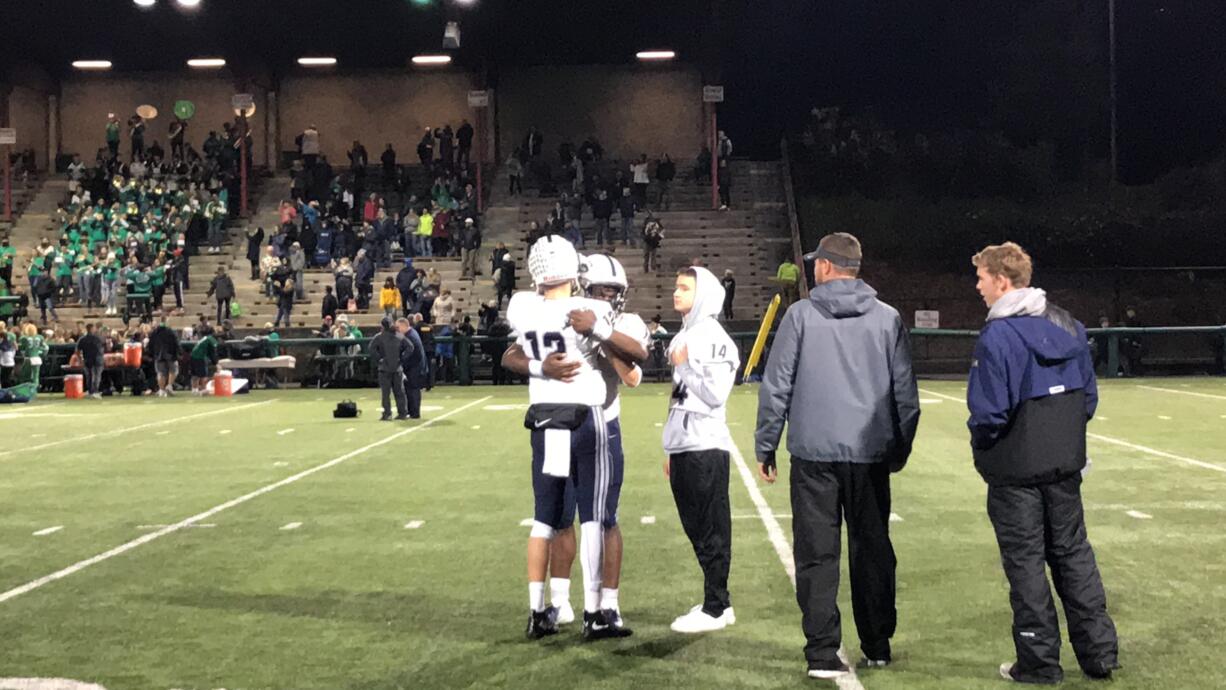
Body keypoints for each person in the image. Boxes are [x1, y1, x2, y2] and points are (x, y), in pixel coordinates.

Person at [754, 232, 920, 679]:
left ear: (826, 266)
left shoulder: (801, 316)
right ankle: (878, 642)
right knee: (872, 549)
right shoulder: (887, 319)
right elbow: (905, 393)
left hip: (813, 455)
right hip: (869, 454)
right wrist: (898, 448)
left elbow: (778, 385)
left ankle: (822, 650)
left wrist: (766, 444)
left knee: (817, 554)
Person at [966, 242, 1119, 684]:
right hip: (1065, 466)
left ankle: (1039, 661)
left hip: (1015, 472)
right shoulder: (1069, 325)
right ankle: (1100, 654)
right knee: (1074, 556)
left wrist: (986, 447)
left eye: (981, 277)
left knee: (1027, 564)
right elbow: (1087, 398)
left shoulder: (998, 336)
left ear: (1001, 279)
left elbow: (990, 413)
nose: (977, 286)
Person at [500, 236, 628, 641]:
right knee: (591, 516)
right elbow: (633, 355)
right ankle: (594, 611)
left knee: (545, 519)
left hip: (542, 419)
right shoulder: (591, 308)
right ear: (574, 268)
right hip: (584, 418)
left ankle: (538, 611)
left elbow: (513, 351)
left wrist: (540, 367)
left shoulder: (522, 307)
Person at [542, 253, 651, 631]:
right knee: (559, 517)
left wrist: (599, 333)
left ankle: (608, 604)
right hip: (559, 423)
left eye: (613, 291)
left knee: (604, 519)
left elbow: (633, 376)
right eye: (600, 290)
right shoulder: (557, 315)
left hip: (604, 425)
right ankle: (560, 603)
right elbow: (516, 352)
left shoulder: (627, 323)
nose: (607, 297)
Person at [662, 266, 740, 635]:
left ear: (704, 294)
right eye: (676, 286)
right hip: (686, 445)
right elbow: (680, 400)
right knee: (697, 528)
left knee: (710, 528)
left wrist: (686, 366)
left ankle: (716, 606)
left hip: (705, 446)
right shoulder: (688, 333)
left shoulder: (712, 337)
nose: (676, 293)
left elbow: (715, 394)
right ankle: (716, 600)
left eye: (684, 288)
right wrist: (672, 445)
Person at [370, 316, 409, 421]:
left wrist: (380, 359)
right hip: (397, 368)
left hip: (384, 368)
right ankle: (402, 413)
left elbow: (371, 349)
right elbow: (410, 347)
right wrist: (402, 358)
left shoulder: (379, 337)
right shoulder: (399, 336)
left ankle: (387, 414)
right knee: (399, 392)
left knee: (386, 393)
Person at [396, 317, 429, 418]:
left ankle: (414, 412)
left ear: (403, 326)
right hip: (415, 367)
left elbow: (415, 354)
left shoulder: (410, 336)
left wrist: (405, 365)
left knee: (413, 390)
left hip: (414, 368)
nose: (397, 330)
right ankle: (411, 411)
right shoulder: (412, 333)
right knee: (410, 390)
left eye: (398, 327)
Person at [149, 315, 180, 397]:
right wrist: (177, 353)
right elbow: (175, 343)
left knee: (160, 373)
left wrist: (153, 354)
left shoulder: (154, 332)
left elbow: (150, 344)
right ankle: (169, 386)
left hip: (158, 355)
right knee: (173, 370)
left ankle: (162, 390)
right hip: (170, 354)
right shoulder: (170, 331)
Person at [76, 323, 106, 399]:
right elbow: (101, 350)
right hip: (97, 360)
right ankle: (95, 391)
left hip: (87, 360)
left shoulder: (82, 339)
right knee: (96, 376)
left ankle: (90, 391)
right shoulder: (97, 338)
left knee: (89, 376)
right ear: (92, 329)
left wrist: (80, 360)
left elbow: (77, 351)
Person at [189, 325, 219, 395]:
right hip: (200, 357)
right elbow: (212, 352)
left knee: (195, 374)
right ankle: (203, 389)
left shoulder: (205, 338)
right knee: (203, 375)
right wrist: (216, 362)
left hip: (193, 355)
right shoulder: (211, 339)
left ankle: (194, 389)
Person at [18, 322, 47, 387]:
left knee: (25, 376)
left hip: (28, 358)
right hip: (37, 358)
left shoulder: (23, 338)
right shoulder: (40, 337)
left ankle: (26, 389)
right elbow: (46, 348)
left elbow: (21, 349)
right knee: (35, 376)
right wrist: (41, 353)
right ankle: (34, 390)